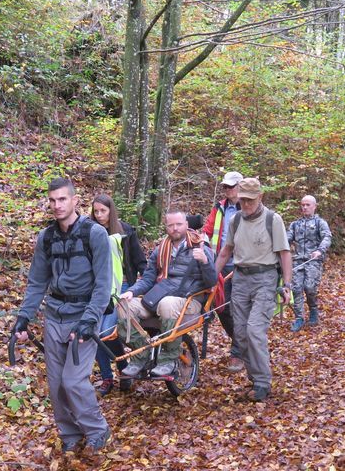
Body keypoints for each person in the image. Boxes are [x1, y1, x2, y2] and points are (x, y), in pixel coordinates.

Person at [11, 178, 112, 453]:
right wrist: (24, 317)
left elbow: (104, 284)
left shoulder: (95, 234)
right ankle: (70, 434)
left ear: (75, 200)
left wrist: (90, 321)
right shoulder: (46, 237)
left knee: (73, 381)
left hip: (84, 317)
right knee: (56, 384)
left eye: (62, 199)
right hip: (54, 315)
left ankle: (97, 430)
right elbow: (36, 282)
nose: (57, 205)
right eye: (52, 200)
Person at [214, 178, 292, 402]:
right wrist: (211, 279)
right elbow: (225, 252)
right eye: (242, 200)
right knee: (240, 333)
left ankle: (262, 382)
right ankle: (255, 377)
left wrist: (286, 285)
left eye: (250, 200)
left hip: (265, 279)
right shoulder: (236, 220)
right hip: (240, 280)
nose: (245, 205)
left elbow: (285, 253)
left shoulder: (272, 220)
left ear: (260, 197)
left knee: (254, 330)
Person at [117, 210, 217, 377]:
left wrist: (205, 262)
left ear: (186, 225)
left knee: (167, 303)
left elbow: (212, 282)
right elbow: (148, 278)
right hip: (159, 296)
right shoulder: (161, 249)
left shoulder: (199, 246)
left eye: (178, 224)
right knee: (124, 305)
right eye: (170, 225)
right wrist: (131, 292)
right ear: (166, 227)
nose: (175, 228)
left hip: (189, 301)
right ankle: (141, 355)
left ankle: (168, 360)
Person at [91, 194, 148, 396]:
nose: (99, 215)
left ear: (111, 211)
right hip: (99, 288)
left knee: (107, 331)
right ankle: (108, 377)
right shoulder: (90, 231)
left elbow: (139, 259)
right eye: (96, 211)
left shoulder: (125, 230)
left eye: (103, 211)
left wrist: (145, 282)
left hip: (122, 286)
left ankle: (124, 369)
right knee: (95, 333)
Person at [202, 171, 244, 372]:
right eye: (225, 187)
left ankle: (238, 353)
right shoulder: (219, 207)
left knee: (240, 308)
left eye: (231, 186)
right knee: (222, 308)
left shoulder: (248, 206)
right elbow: (208, 230)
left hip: (245, 266)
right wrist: (201, 241)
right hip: (223, 263)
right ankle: (240, 343)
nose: (228, 190)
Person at [287, 195, 332, 332]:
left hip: (313, 260)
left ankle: (313, 309)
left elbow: (327, 237)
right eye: (303, 205)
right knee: (296, 288)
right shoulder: (295, 224)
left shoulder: (320, 223)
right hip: (298, 261)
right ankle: (299, 318)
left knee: (310, 287)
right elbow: (286, 238)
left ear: (314, 206)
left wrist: (320, 251)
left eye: (307, 205)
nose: (305, 207)